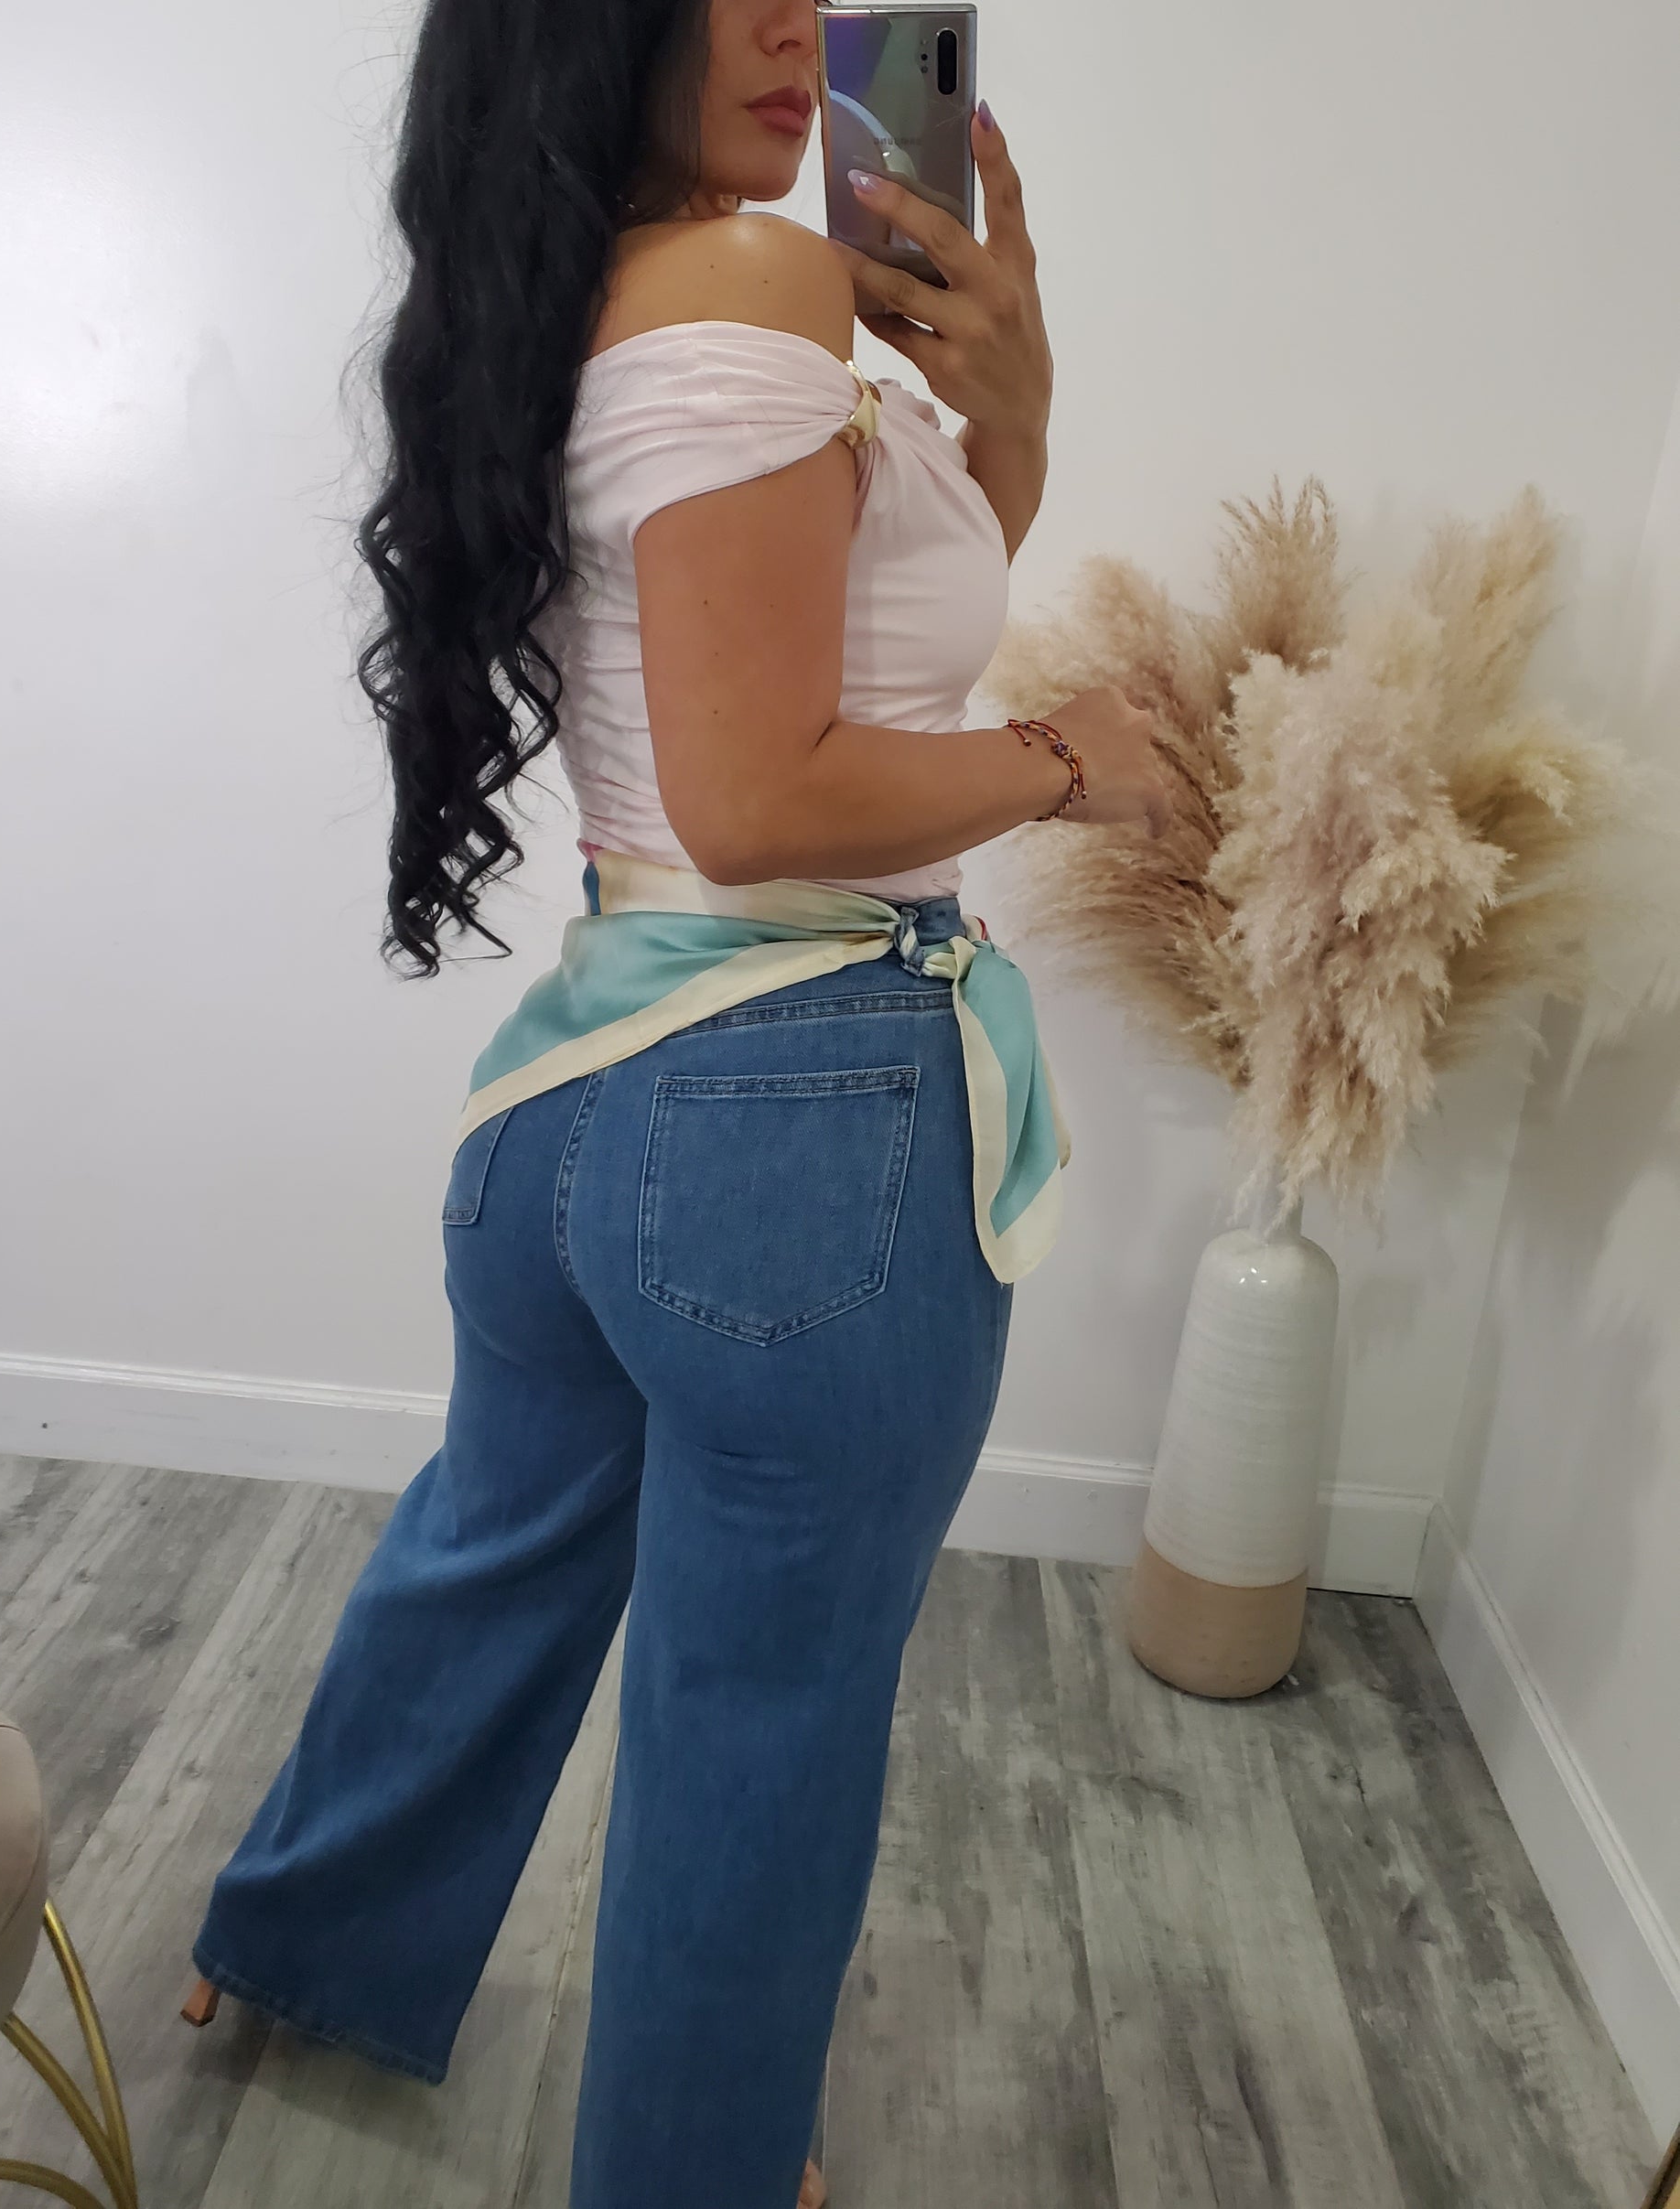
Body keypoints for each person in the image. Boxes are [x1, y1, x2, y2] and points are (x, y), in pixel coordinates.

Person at [180, 4, 1171, 2205]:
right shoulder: (751, 277)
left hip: (578, 1103)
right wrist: (1070, 763)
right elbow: (763, 794)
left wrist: (1007, 416)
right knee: (760, 1717)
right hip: (801, 1129)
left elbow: (858, 660)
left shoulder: (580, 298)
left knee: (492, 1544)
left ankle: (297, 1946)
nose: (790, 21)